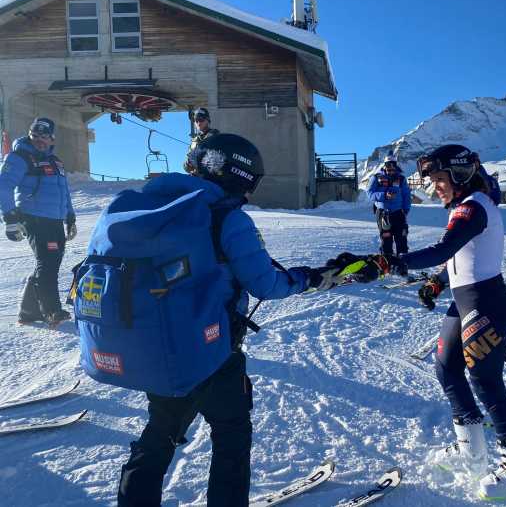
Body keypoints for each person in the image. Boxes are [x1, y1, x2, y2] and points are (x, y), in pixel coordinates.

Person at [117, 133, 345, 507]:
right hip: (211, 350)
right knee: (231, 434)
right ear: (240, 176)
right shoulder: (227, 217)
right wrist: (308, 278)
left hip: (155, 345)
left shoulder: (153, 206)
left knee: (159, 434)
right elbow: (266, 284)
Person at [336, 144, 506, 501]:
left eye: (440, 179)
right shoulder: (467, 205)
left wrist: (389, 262)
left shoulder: (473, 206)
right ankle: (471, 450)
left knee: (485, 380)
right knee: (446, 367)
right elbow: (457, 255)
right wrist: (438, 283)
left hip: (485, 303)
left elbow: (444, 248)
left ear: (459, 174)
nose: (435, 187)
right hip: (467, 301)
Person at [0, 117, 76, 326]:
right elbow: (3, 186)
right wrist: (10, 217)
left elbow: (64, 191)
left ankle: (28, 311)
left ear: (52, 139)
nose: (39, 140)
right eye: (35, 136)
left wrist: (70, 217)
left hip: (55, 219)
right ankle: (52, 311)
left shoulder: (55, 161)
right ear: (29, 135)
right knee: (47, 263)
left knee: (51, 261)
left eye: (44, 136)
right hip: (34, 217)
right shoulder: (19, 157)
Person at [366, 152, 411, 255]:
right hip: (383, 214)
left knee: (401, 240)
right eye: (388, 165)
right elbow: (370, 193)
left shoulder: (401, 179)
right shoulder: (376, 178)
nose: (390, 168)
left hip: (398, 213)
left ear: (396, 165)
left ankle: (403, 262)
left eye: (392, 165)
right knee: (386, 241)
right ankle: (387, 262)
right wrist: (384, 195)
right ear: (384, 165)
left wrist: (405, 210)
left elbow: (406, 195)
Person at [184, 107, 220, 173]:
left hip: (212, 175)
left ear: (207, 120)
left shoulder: (215, 136)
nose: (198, 123)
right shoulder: (194, 142)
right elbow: (186, 167)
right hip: (197, 176)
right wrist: (188, 163)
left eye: (201, 120)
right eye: (196, 121)